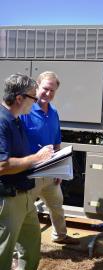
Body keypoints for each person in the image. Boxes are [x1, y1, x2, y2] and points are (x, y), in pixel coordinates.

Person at [0, 73, 54, 270]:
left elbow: (20, 157)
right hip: (8, 199)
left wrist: (45, 161)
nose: (37, 100)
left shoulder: (16, 119)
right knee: (3, 254)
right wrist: (36, 158)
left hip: (24, 196)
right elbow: (2, 166)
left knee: (31, 245)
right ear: (19, 98)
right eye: (33, 96)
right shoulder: (2, 121)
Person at [20, 71, 79, 244]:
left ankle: (60, 236)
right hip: (30, 173)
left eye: (52, 91)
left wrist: (59, 170)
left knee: (57, 207)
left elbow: (56, 143)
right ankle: (18, 250)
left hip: (51, 172)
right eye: (45, 89)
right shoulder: (26, 111)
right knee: (23, 212)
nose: (48, 94)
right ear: (37, 86)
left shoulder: (53, 112)